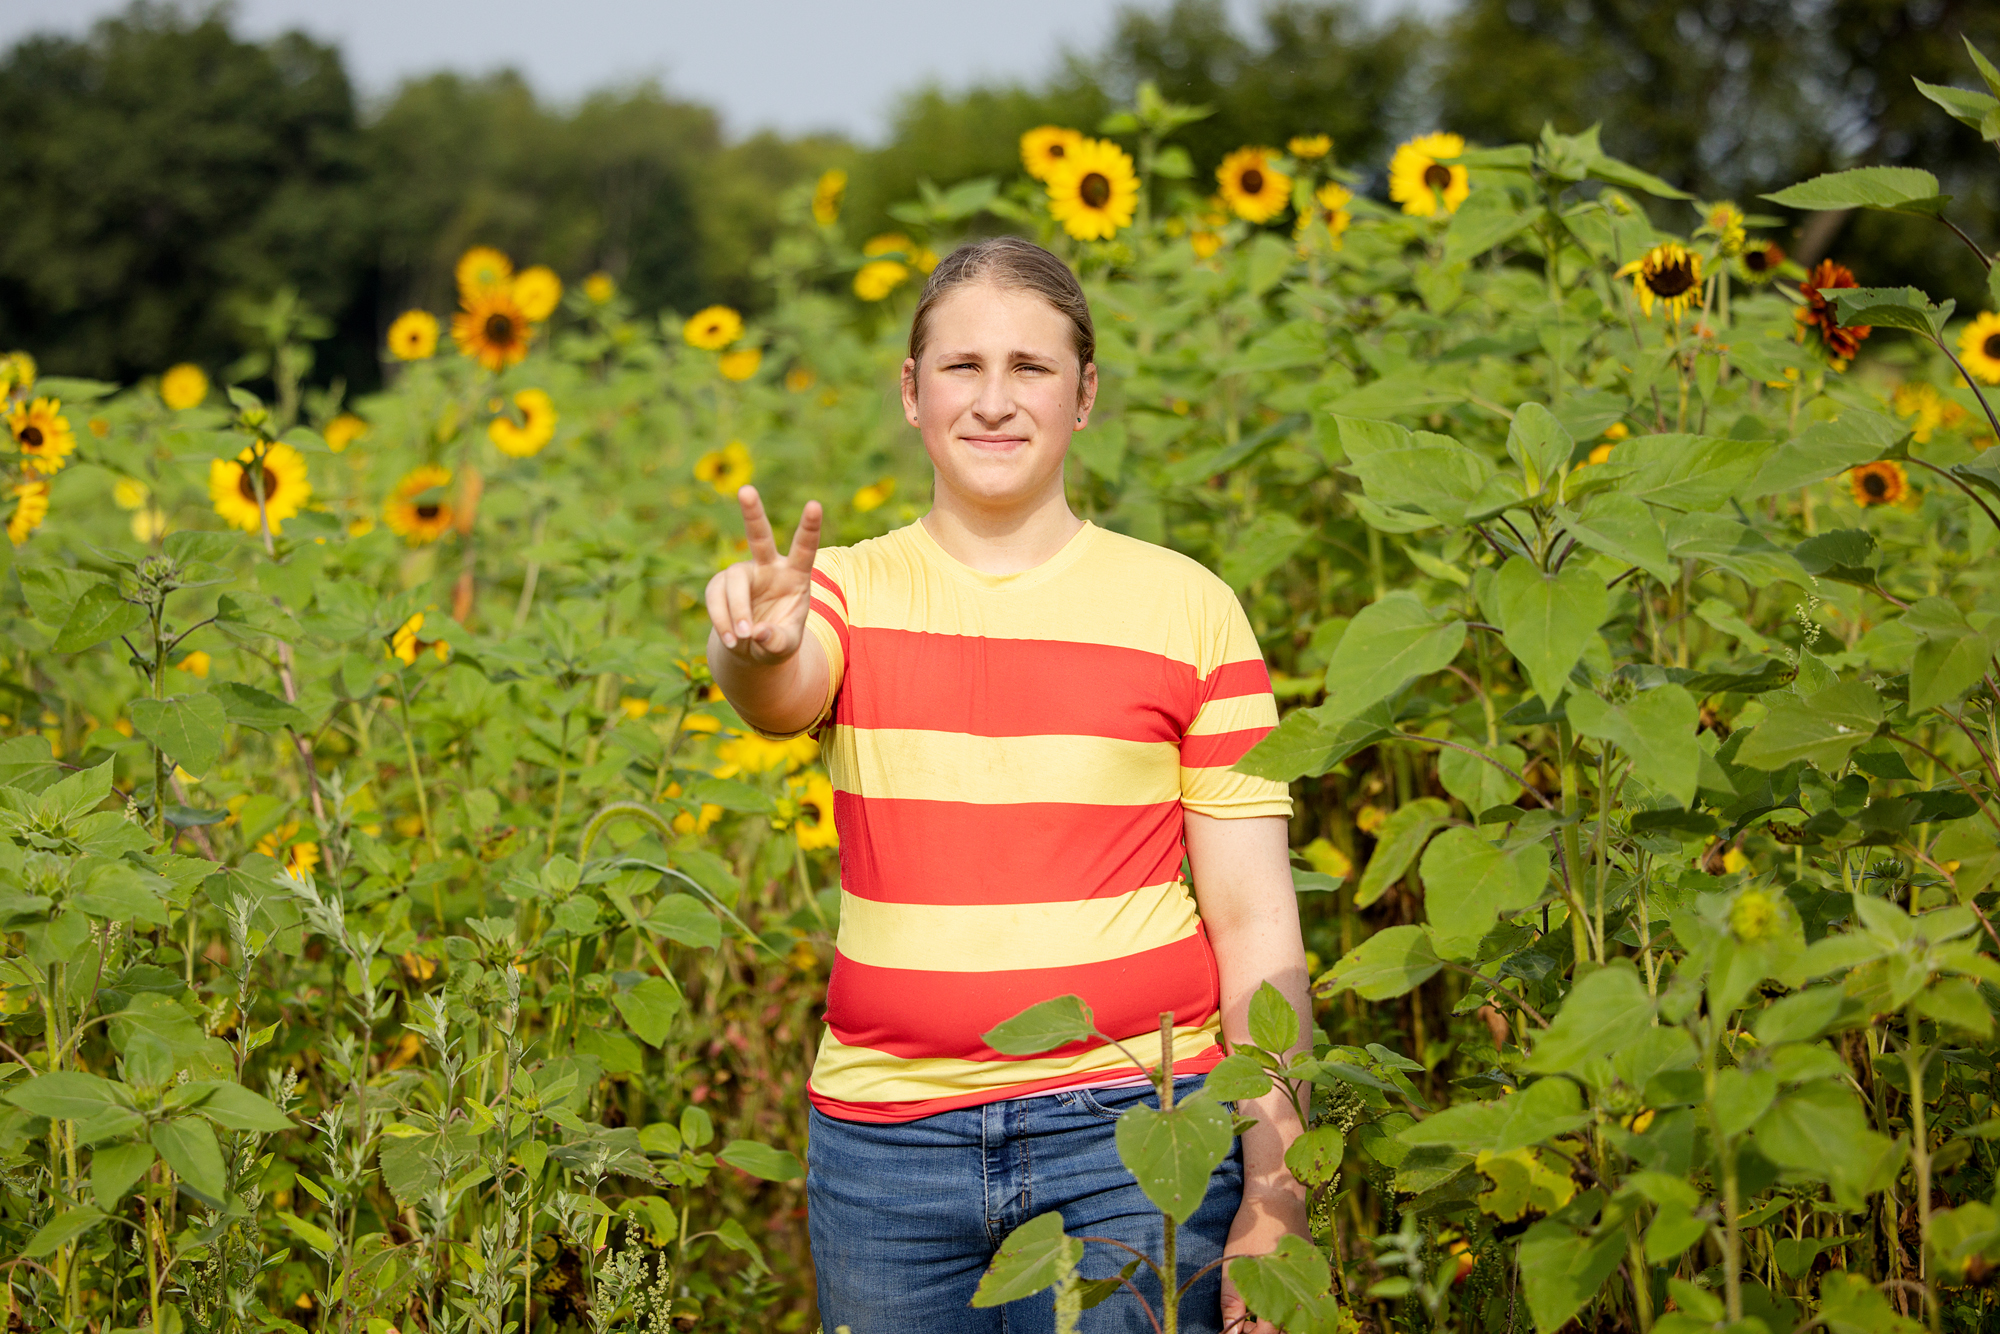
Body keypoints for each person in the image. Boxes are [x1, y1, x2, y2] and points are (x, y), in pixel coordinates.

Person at [704, 236, 1311, 1334]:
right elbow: (780, 689)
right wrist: (751, 642)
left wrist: (1276, 1192)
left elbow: (1255, 924)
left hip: (1132, 1137)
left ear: (1083, 395)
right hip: (887, 1150)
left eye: (1029, 367)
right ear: (909, 391)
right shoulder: (843, 590)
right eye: (960, 366)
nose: (993, 400)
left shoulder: (1188, 608)